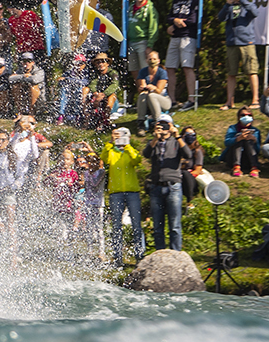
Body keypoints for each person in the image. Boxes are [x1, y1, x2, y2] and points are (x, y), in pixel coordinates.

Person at [95, 125, 144, 265]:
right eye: (118, 136)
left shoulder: (130, 151)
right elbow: (103, 158)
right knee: (116, 225)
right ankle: (117, 257)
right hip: (116, 193)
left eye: (123, 136)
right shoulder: (111, 151)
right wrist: (110, 141)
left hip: (132, 192)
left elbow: (137, 160)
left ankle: (139, 255)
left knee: (136, 225)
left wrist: (127, 145)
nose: (120, 139)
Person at [143, 114, 191, 252]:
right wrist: (155, 138)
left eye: (166, 124)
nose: (163, 127)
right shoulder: (154, 142)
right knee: (158, 226)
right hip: (156, 186)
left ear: (171, 126)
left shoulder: (177, 141)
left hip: (173, 186)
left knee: (175, 225)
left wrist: (177, 136)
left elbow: (188, 154)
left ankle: (176, 255)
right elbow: (146, 154)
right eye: (160, 124)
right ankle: (160, 254)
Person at [217, 0, 260, 110]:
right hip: (232, 42)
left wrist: (242, 0)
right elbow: (220, 18)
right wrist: (227, 4)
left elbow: (255, 12)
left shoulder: (248, 4)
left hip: (246, 42)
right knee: (231, 73)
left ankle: (255, 100)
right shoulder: (230, 6)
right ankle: (229, 101)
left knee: (251, 71)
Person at [164, 0, 201, 110]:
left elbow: (193, 19)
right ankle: (171, 100)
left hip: (187, 37)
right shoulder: (176, 1)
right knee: (170, 67)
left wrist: (176, 24)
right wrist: (175, 21)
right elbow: (169, 17)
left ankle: (191, 99)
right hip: (174, 38)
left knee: (187, 67)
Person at [125, 0, 162, 85]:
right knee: (134, 70)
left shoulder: (149, 8)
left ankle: (149, 93)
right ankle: (141, 93)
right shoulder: (130, 7)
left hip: (142, 42)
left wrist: (149, 45)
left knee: (145, 70)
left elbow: (153, 28)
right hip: (131, 42)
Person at [134, 50, 171, 131]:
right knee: (142, 95)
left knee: (152, 95)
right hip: (147, 99)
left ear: (158, 61)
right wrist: (142, 88)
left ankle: (157, 120)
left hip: (163, 100)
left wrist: (152, 87)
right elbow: (142, 87)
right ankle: (141, 122)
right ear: (146, 60)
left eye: (154, 59)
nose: (152, 61)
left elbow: (159, 90)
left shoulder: (162, 73)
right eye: (150, 59)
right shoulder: (143, 72)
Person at [82, 54, 121, 126]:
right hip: (97, 97)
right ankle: (86, 117)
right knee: (85, 89)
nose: (101, 64)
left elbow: (114, 85)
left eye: (103, 62)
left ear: (107, 63)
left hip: (109, 99)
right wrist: (96, 93)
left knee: (112, 96)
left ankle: (106, 119)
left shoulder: (113, 73)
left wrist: (103, 94)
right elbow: (92, 84)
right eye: (98, 62)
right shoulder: (95, 74)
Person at [223, 109, 261, 178]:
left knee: (248, 140)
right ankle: (236, 167)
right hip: (232, 157)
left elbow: (258, 150)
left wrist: (254, 140)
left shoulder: (256, 131)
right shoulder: (232, 128)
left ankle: (254, 167)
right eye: (243, 115)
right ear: (238, 117)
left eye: (249, 115)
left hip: (248, 158)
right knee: (239, 137)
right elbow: (227, 143)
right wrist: (238, 138)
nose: (246, 117)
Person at [7, 52, 46, 117]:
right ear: (22, 62)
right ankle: (20, 111)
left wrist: (20, 77)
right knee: (15, 86)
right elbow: (10, 79)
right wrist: (24, 76)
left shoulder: (39, 71)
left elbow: (34, 80)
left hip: (39, 101)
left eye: (29, 61)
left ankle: (32, 112)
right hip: (25, 99)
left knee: (33, 87)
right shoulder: (20, 71)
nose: (27, 63)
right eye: (25, 61)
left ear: (33, 62)